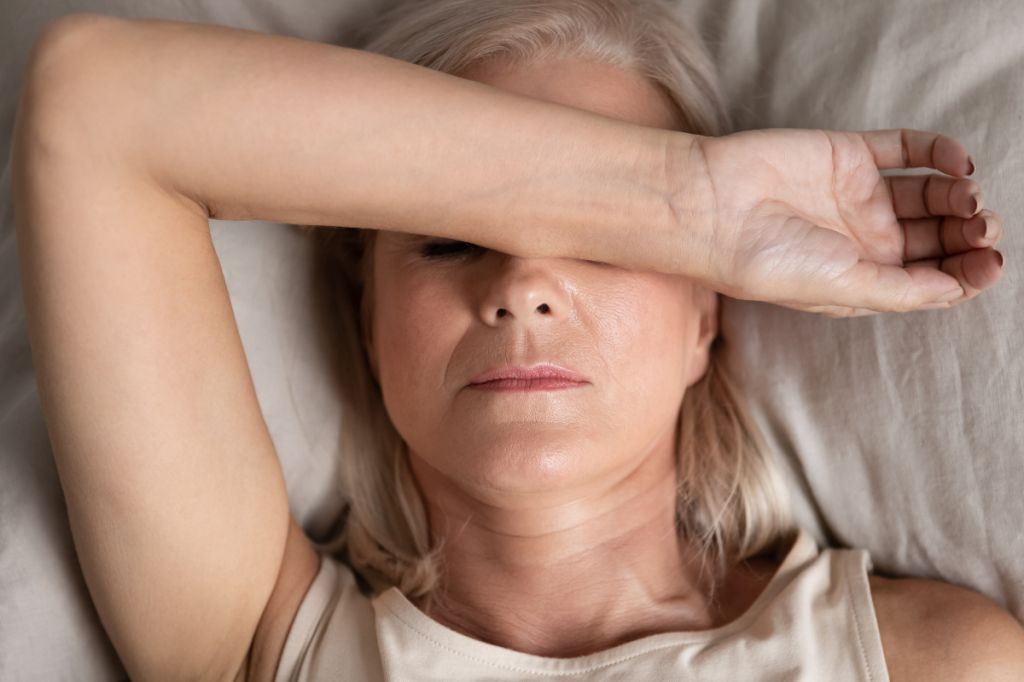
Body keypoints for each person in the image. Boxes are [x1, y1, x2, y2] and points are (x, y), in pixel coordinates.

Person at [10, 1, 1020, 681]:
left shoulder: (928, 662)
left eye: (608, 245)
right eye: (448, 241)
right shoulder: (262, 643)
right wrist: (680, 200)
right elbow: (94, 102)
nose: (522, 288)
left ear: (705, 314)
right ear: (367, 317)